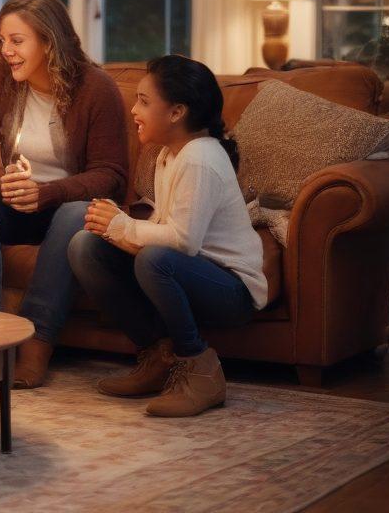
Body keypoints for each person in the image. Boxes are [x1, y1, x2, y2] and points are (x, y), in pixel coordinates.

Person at [68, 55, 266, 418]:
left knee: (154, 258)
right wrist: (111, 231)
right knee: (86, 247)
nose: (133, 110)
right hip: (190, 272)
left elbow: (183, 241)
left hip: (230, 290)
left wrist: (122, 226)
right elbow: (166, 232)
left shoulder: (200, 158)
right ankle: (158, 358)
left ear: (176, 112)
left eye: (144, 101)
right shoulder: (167, 155)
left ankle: (199, 369)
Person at [0, 0, 128, 389]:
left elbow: (111, 173)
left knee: (73, 212)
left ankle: (36, 341)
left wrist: (48, 193)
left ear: (49, 41)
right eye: (1, 41)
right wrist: (2, 180)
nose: (6, 51)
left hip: (66, 206)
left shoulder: (95, 88)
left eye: (17, 41)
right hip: (16, 204)